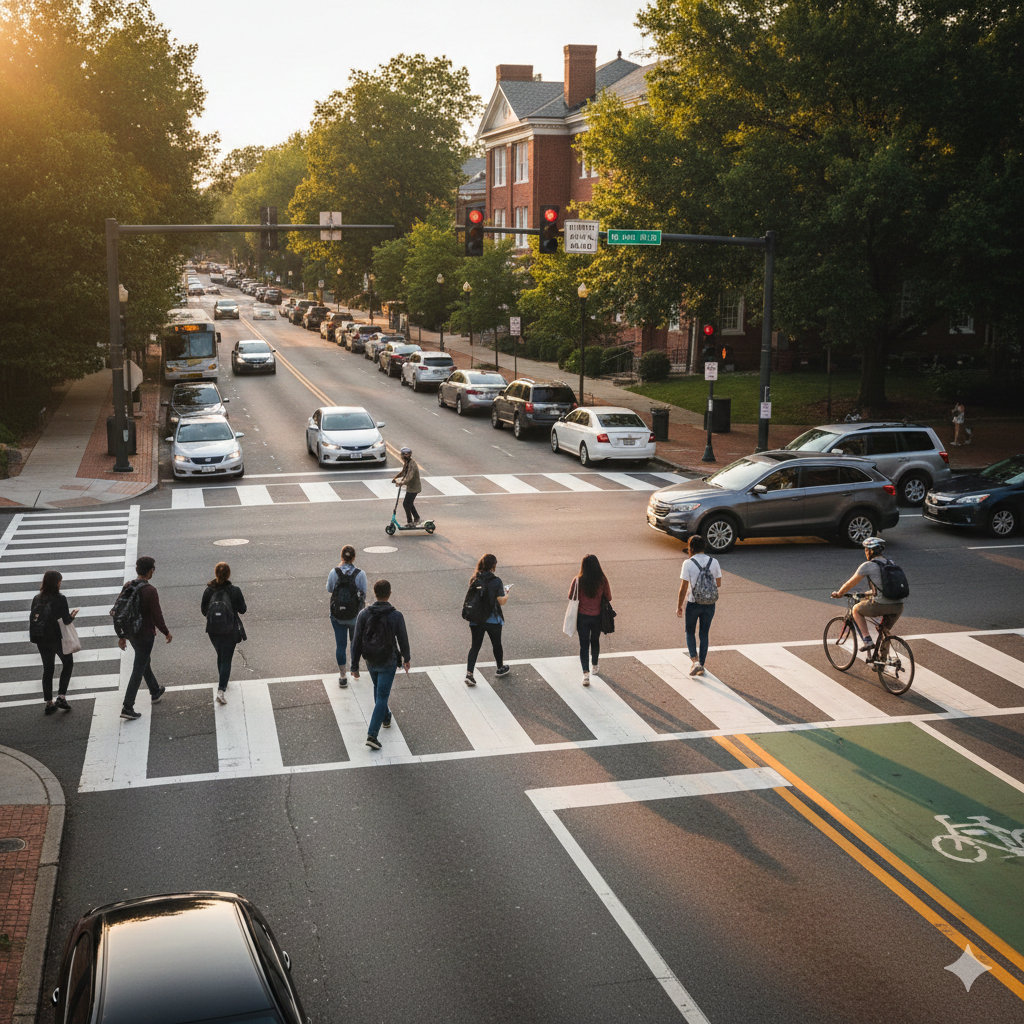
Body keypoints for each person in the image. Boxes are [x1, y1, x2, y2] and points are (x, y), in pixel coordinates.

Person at [351, 579, 411, 751]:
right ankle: (372, 735)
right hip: (388, 660)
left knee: (378, 689)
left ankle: (386, 718)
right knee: (382, 695)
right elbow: (403, 639)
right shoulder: (396, 615)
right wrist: (406, 658)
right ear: (389, 594)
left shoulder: (364, 614)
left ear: (375, 593)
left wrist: (354, 666)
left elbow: (356, 642)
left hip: (371, 660)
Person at [116, 555, 172, 721]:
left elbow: (119, 611)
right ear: (151, 571)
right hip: (145, 635)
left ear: (136, 570)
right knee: (138, 668)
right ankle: (127, 706)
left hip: (132, 633)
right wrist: (166, 632)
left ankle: (155, 690)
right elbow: (157, 616)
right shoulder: (150, 591)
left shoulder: (128, 586)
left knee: (143, 660)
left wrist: (121, 635)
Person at [831, 536, 903, 660]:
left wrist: (839, 594)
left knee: (856, 610)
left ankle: (867, 640)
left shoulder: (868, 565)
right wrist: (866, 594)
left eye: (866, 550)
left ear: (869, 551)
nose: (865, 552)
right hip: (898, 606)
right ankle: (882, 659)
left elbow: (850, 584)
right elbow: (884, 588)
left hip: (881, 605)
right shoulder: (891, 563)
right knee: (884, 630)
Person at [29, 570, 78, 715]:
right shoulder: (60, 598)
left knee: (48, 668)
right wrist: (73, 615)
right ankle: (61, 697)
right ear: (57, 583)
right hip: (56, 638)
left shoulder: (37, 598)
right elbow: (66, 620)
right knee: (68, 663)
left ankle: (49, 703)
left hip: (41, 638)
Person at [200, 562, 247, 705]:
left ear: (216, 573)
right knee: (226, 658)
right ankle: (221, 689)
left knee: (221, 654)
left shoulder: (209, 590)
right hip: (230, 629)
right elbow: (243, 609)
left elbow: (203, 611)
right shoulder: (235, 590)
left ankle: (223, 679)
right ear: (228, 574)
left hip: (213, 630)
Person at [676, 536, 722, 677]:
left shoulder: (688, 563)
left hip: (693, 602)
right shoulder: (714, 562)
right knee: (704, 633)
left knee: (690, 632)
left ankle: (695, 661)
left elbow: (683, 587)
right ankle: (701, 663)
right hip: (709, 603)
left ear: (691, 548)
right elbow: (718, 583)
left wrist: (679, 606)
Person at [465, 554, 511, 686]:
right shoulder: (496, 581)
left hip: (476, 620)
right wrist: (506, 593)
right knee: (496, 644)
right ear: (493, 565)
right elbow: (501, 601)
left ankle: (469, 674)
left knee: (475, 646)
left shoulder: (475, 579)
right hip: (493, 620)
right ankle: (500, 668)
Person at [326, 545, 367, 687]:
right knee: (355, 643)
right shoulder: (360, 574)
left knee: (340, 645)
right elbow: (364, 592)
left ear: (341, 557)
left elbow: (329, 589)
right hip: (355, 615)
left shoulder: (334, 572)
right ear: (354, 557)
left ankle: (343, 676)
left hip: (337, 615)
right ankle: (354, 669)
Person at [571, 555, 611, 686]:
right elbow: (609, 597)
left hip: (582, 617)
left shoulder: (578, 580)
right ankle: (595, 665)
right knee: (595, 641)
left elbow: (571, 596)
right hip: (597, 616)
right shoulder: (602, 580)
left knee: (584, 644)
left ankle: (585, 674)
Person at [392, 446, 422, 525]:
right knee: (409, 504)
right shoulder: (407, 463)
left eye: (407, 455)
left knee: (406, 504)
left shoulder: (412, 464)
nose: (405, 456)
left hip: (414, 487)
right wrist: (396, 478)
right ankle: (416, 518)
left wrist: (402, 482)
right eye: (404, 455)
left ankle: (410, 521)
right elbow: (403, 472)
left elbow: (409, 476)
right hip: (410, 487)